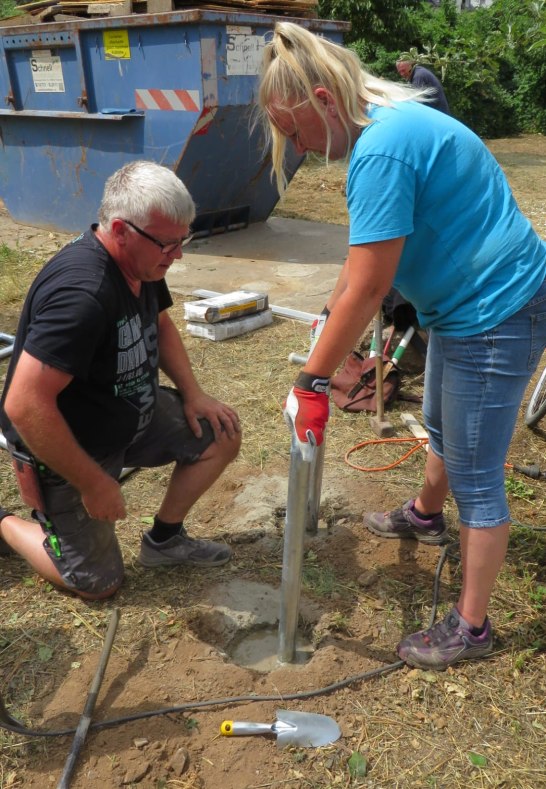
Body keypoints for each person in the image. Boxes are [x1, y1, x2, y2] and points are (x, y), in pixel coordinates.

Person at [256, 22, 546, 670]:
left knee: (476, 470)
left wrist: (311, 381)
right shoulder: (385, 126)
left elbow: (372, 286)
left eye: (294, 130)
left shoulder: (382, 150)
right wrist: (330, 316)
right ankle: (424, 513)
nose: (296, 146)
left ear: (325, 102)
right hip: (463, 306)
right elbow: (361, 261)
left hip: (496, 309)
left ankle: (471, 627)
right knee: (442, 422)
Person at [0, 161, 241, 600]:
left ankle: (164, 541)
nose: (179, 255)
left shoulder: (143, 266)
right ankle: (6, 524)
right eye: (169, 244)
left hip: (128, 415)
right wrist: (94, 482)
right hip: (69, 444)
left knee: (220, 433)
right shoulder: (83, 295)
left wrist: (193, 394)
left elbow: (161, 323)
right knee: (97, 584)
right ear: (120, 229)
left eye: (183, 240)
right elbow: (24, 404)